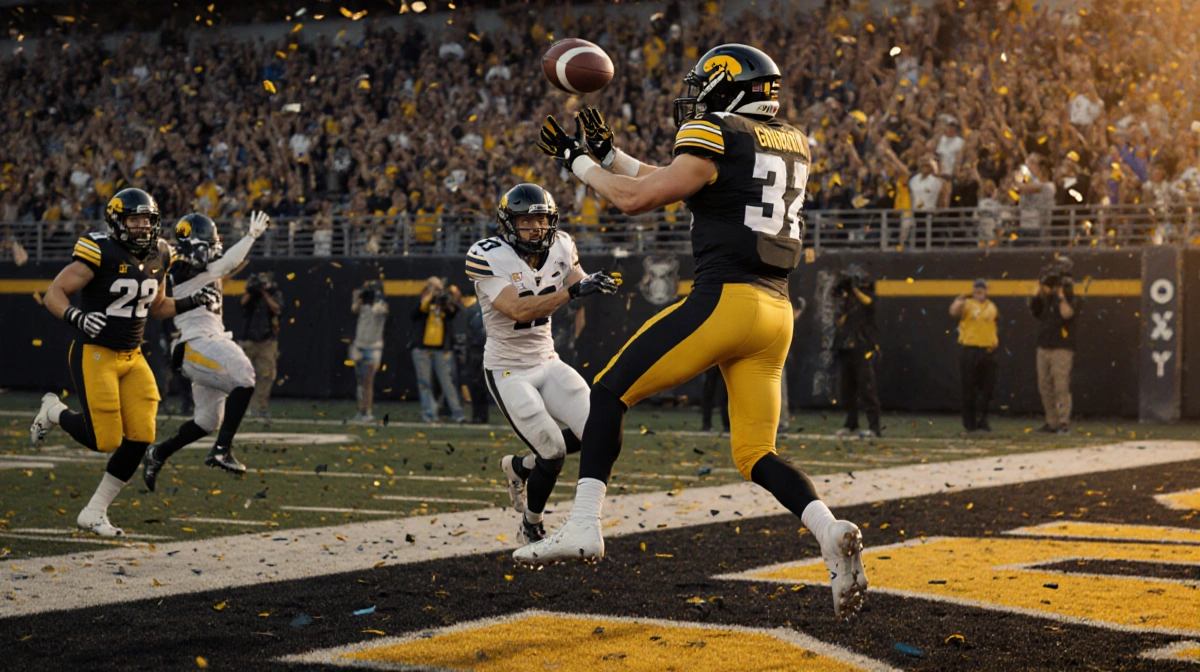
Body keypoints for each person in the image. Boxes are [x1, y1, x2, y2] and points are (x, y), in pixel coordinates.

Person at [515, 44, 868, 621]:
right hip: (775, 313)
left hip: (726, 300)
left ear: (728, 87)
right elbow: (685, 180)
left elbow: (637, 199)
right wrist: (611, 155)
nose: (695, 97)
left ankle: (582, 525)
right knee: (756, 453)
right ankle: (829, 530)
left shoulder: (716, 130)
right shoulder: (791, 140)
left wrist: (577, 162)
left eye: (704, 84)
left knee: (607, 393)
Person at [29, 188, 221, 536]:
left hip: (133, 356)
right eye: (134, 220)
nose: (142, 226)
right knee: (104, 440)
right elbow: (54, 293)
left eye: (147, 220)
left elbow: (158, 306)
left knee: (142, 435)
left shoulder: (161, 252)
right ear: (117, 222)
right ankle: (55, 411)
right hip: (96, 352)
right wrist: (76, 316)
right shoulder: (100, 250)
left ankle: (95, 511)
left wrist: (192, 301)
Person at [466, 183, 619, 543]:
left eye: (542, 220)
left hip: (548, 361)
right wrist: (572, 292)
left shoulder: (562, 244)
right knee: (552, 452)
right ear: (508, 223)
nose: (537, 228)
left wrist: (593, 282)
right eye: (527, 220)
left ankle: (520, 467)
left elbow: (577, 280)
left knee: (600, 433)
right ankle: (530, 524)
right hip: (508, 370)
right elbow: (517, 309)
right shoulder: (487, 255)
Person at [140, 212, 271, 492]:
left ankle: (158, 453)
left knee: (207, 421)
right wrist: (250, 237)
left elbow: (222, 266)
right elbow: (223, 265)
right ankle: (222, 449)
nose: (214, 247)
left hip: (205, 345)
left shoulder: (199, 264)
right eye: (209, 243)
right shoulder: (181, 264)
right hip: (197, 343)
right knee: (245, 376)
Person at [1030, 263, 1082, 434]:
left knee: (1060, 386)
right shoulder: (1046, 299)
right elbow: (1033, 308)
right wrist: (1042, 286)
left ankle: (1063, 421)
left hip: (1062, 347)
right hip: (1044, 345)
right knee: (1045, 386)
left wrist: (1061, 295)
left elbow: (1067, 313)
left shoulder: (1073, 298)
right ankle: (1051, 422)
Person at [832, 265, 882, 439]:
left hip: (862, 348)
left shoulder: (867, 299)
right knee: (847, 390)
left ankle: (874, 426)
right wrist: (845, 291)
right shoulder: (845, 302)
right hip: (845, 348)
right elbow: (834, 300)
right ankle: (851, 423)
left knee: (866, 388)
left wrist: (855, 290)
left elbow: (869, 303)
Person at [410, 276, 467, 424]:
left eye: (439, 287)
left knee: (447, 382)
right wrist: (430, 295)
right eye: (434, 287)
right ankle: (429, 413)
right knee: (424, 382)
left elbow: (453, 311)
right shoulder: (422, 300)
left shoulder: (443, 302)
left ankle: (457, 413)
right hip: (422, 348)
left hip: (441, 348)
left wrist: (447, 299)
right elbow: (415, 313)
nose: (437, 290)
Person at [950, 279, 999, 433]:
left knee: (987, 388)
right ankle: (969, 423)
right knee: (969, 388)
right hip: (970, 348)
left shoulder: (991, 306)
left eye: (982, 288)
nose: (979, 291)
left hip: (987, 349)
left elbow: (993, 325)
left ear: (986, 291)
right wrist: (958, 302)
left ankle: (982, 419)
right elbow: (954, 312)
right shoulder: (967, 304)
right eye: (977, 288)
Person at [240, 271, 282, 416]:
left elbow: (277, 309)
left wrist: (265, 294)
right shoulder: (251, 294)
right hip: (249, 339)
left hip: (267, 340)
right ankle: (243, 405)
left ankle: (260, 406)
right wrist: (253, 291)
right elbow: (242, 303)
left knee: (266, 374)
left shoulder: (274, 293)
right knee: (244, 375)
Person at [350, 279, 388, 422]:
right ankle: (360, 410)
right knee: (360, 381)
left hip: (373, 347)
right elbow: (354, 309)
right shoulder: (363, 306)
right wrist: (357, 298)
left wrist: (374, 301)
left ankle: (368, 411)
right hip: (360, 345)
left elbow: (382, 312)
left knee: (368, 380)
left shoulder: (380, 306)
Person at [699, 367, 730, 433]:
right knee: (709, 393)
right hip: (713, 365)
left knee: (723, 394)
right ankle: (706, 424)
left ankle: (727, 425)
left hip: (722, 365)